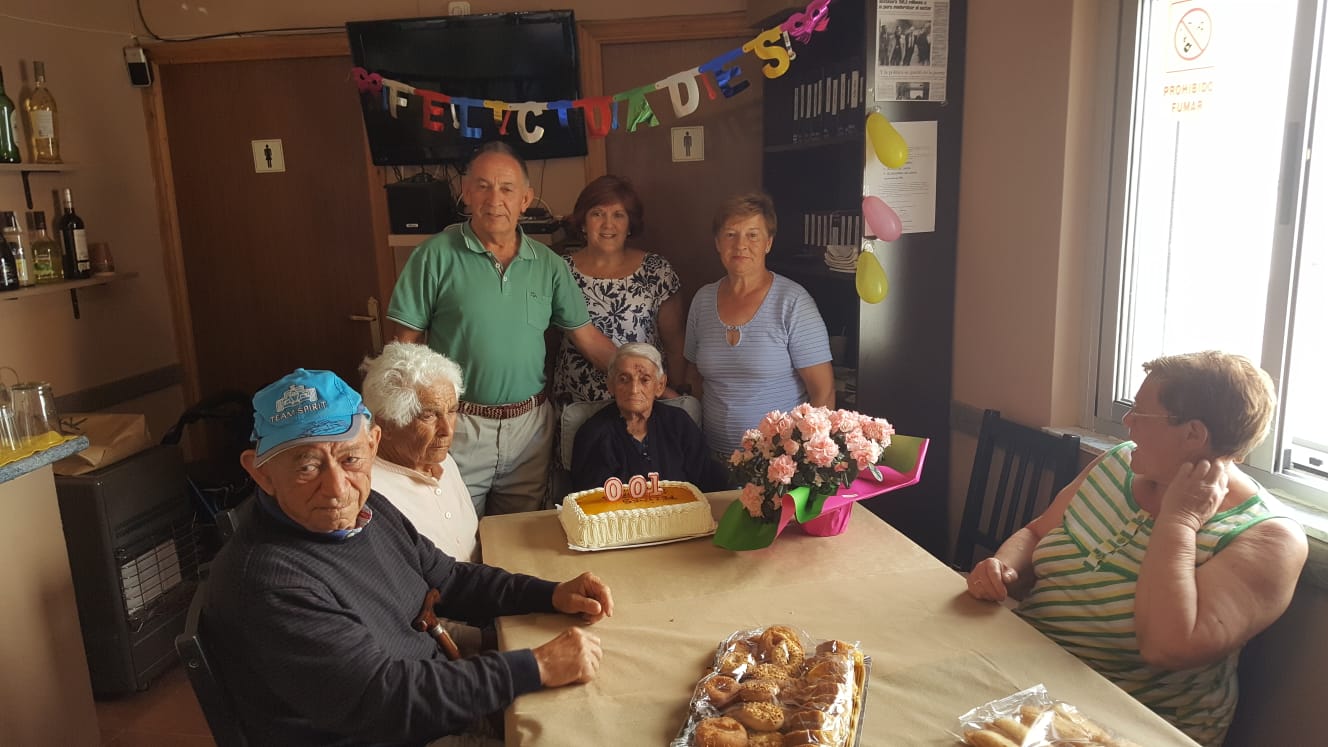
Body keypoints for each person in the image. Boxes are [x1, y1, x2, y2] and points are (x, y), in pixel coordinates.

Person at [206, 368, 614, 746]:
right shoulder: (268, 582)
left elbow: (450, 578)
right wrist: (535, 666)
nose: (336, 487)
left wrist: (552, 594)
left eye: (350, 459)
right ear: (260, 473)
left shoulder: (369, 509)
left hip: (427, 690)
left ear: (373, 445)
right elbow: (385, 699)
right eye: (308, 466)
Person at [966, 351, 1307, 746]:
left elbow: (1166, 645)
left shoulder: (1269, 537)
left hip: (1122, 724)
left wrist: (1179, 522)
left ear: (1193, 434)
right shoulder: (1119, 463)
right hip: (1025, 674)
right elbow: (1037, 534)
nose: (1126, 421)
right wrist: (1003, 566)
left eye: (1141, 413)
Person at [387, 142, 616, 516]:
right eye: (483, 186)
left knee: (520, 539)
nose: (495, 199)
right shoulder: (434, 255)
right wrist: (396, 423)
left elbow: (588, 338)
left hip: (530, 429)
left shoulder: (549, 265)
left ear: (526, 199)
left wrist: (642, 373)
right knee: (456, 537)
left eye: (507, 188)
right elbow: (401, 348)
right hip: (456, 425)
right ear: (466, 194)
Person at [684, 192, 834, 457]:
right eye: (731, 234)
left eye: (752, 234)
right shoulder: (702, 300)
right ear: (718, 243)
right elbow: (694, 377)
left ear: (768, 243)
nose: (741, 245)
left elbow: (823, 392)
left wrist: (805, 457)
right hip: (711, 459)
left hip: (777, 463)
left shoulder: (794, 302)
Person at [552, 175, 685, 405]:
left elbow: (675, 346)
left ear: (629, 224)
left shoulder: (656, 271)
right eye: (597, 214)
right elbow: (549, 342)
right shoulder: (560, 271)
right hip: (579, 402)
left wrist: (674, 399)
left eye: (618, 215)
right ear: (583, 222)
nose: (607, 224)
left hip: (644, 403)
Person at [570, 342, 729, 492]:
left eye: (644, 380)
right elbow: (589, 503)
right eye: (624, 380)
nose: (634, 389)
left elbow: (708, 482)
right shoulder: (594, 434)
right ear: (610, 385)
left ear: (660, 385)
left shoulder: (679, 424)